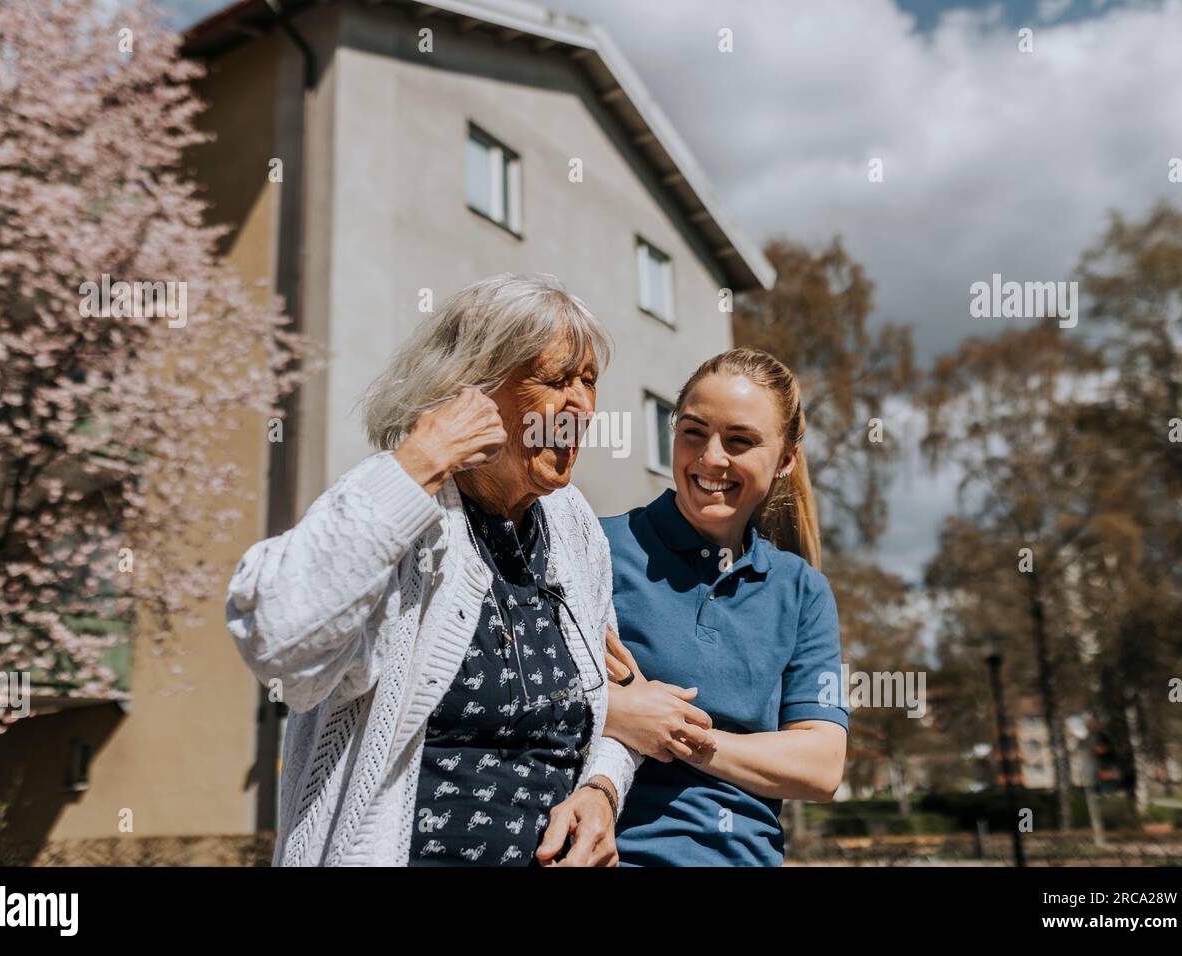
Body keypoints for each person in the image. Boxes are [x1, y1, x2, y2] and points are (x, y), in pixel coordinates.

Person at [225, 274, 637, 866]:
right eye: (555, 380)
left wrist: (601, 791)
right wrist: (413, 464)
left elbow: (609, 708)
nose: (581, 404)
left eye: (590, 381)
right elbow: (277, 640)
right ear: (469, 392)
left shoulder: (573, 528)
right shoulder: (402, 509)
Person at [599, 348, 849, 866]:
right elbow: (534, 701)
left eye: (740, 441)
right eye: (694, 431)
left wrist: (671, 727)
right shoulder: (595, 549)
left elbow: (820, 766)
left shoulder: (802, 592)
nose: (711, 458)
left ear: (785, 459)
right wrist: (614, 710)